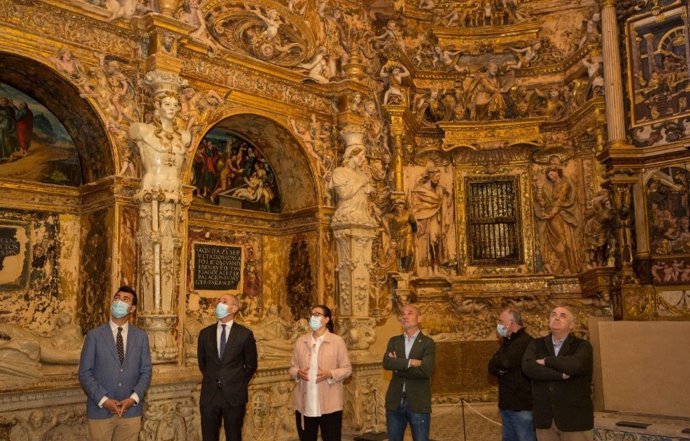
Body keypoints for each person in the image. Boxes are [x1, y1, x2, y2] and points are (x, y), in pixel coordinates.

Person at [78, 286, 152, 441]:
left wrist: (133, 398)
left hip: (131, 412)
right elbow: (85, 373)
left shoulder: (141, 336)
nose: (119, 301)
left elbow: (146, 371)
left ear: (132, 308)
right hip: (100, 412)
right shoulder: (94, 335)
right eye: (117, 297)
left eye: (125, 299)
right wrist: (104, 401)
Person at [521, 306, 594, 441]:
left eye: (563, 315)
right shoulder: (536, 344)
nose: (557, 317)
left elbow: (575, 365)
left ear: (571, 325)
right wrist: (559, 375)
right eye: (553, 314)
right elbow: (528, 367)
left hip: (575, 420)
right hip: (545, 419)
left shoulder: (582, 346)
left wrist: (546, 361)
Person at [197, 294, 258, 441]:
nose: (219, 304)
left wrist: (236, 381)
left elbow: (251, 365)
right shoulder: (205, 334)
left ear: (234, 308)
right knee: (209, 437)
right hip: (210, 395)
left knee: (234, 436)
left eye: (224, 302)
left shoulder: (244, 334)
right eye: (218, 301)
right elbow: (202, 363)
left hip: (234, 396)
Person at [289, 305, 352, 441]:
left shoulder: (337, 341)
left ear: (326, 319)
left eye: (317, 314)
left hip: (330, 404)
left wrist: (330, 374)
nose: (313, 317)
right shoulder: (301, 341)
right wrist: (298, 373)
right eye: (312, 314)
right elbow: (292, 368)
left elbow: (347, 369)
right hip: (305, 404)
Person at [383, 304, 436, 441]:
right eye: (403, 313)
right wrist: (411, 362)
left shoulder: (427, 343)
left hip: (418, 402)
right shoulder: (394, 341)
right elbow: (387, 363)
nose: (405, 316)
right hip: (395, 401)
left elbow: (425, 371)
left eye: (410, 313)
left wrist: (398, 366)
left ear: (419, 319)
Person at [128, 90, 191, 199]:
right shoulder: (143, 130)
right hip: (152, 187)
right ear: (158, 105)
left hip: (176, 189)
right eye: (167, 104)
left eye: (175, 105)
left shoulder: (184, 136)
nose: (172, 108)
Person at [488, 308, 536, 441]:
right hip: (506, 405)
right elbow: (491, 366)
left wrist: (501, 366)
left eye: (501, 321)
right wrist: (499, 369)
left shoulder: (525, 341)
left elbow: (506, 362)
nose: (499, 325)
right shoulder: (507, 342)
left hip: (521, 407)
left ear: (512, 323)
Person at [410, 162, 454, 276]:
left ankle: (436, 268)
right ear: (430, 176)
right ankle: (428, 269)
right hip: (424, 220)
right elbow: (415, 206)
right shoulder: (419, 190)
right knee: (425, 244)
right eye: (437, 177)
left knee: (435, 242)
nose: (438, 180)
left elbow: (447, 205)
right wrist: (420, 216)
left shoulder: (440, 189)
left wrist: (449, 194)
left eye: (439, 177)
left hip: (436, 219)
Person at [329, 144, 375, 226]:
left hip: (363, 214)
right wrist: (361, 183)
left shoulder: (362, 175)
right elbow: (344, 194)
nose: (364, 159)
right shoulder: (340, 172)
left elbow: (369, 193)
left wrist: (371, 190)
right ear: (352, 155)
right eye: (361, 155)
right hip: (347, 214)